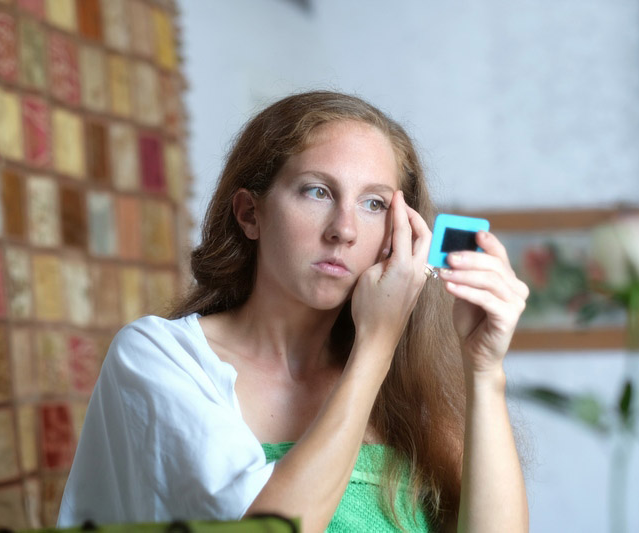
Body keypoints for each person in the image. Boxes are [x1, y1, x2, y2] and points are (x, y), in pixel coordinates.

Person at [58, 91, 529, 532]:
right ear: (249, 214)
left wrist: (484, 369)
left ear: (397, 233)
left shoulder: (409, 386)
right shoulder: (161, 356)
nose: (343, 230)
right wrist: (375, 346)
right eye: (316, 191)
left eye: (373, 204)